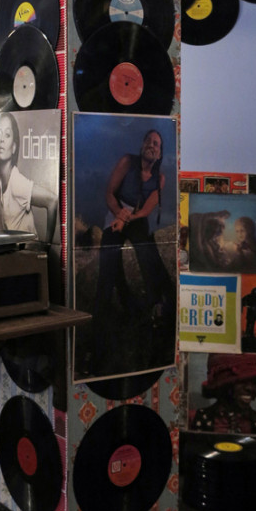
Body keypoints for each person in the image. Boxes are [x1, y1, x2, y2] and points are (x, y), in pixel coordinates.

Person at [92, 128, 176, 366]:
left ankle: (158, 312)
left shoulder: (159, 179)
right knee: (107, 266)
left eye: (156, 144)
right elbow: (110, 192)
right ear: (142, 145)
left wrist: (127, 219)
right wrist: (119, 214)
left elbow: (147, 210)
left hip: (136, 218)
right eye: (148, 141)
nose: (151, 145)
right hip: (116, 212)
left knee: (149, 255)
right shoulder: (127, 162)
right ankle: (99, 337)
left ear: (160, 153)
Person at [0, 111, 58, 245]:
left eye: (7, 135)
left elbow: (52, 200)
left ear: (14, 147)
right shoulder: (1, 180)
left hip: (29, 254)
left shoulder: (16, 182)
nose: (1, 139)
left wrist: (47, 245)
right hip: (15, 252)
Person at [191, 353, 256, 434]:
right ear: (223, 386)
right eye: (242, 381)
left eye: (254, 382)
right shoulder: (202, 418)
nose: (250, 388)